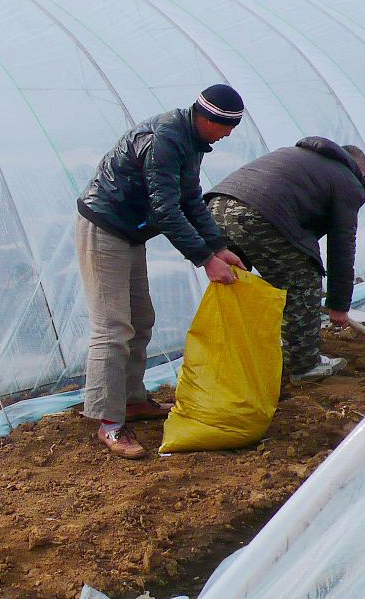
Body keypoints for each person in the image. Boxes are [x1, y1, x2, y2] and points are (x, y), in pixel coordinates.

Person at [76, 84, 247, 459]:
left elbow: (190, 198)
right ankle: (109, 423)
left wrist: (218, 245)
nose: (227, 135)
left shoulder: (191, 141)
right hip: (105, 225)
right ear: (205, 118)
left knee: (141, 319)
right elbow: (165, 210)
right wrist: (206, 259)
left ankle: (133, 400)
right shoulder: (165, 141)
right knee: (112, 327)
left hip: (129, 230)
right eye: (224, 126)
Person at [204, 138, 365, 384]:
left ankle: (228, 361)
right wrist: (339, 304)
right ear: (359, 170)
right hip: (256, 215)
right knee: (303, 280)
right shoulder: (347, 179)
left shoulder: (301, 157)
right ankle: (305, 365)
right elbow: (342, 246)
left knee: (237, 284)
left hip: (214, 208)